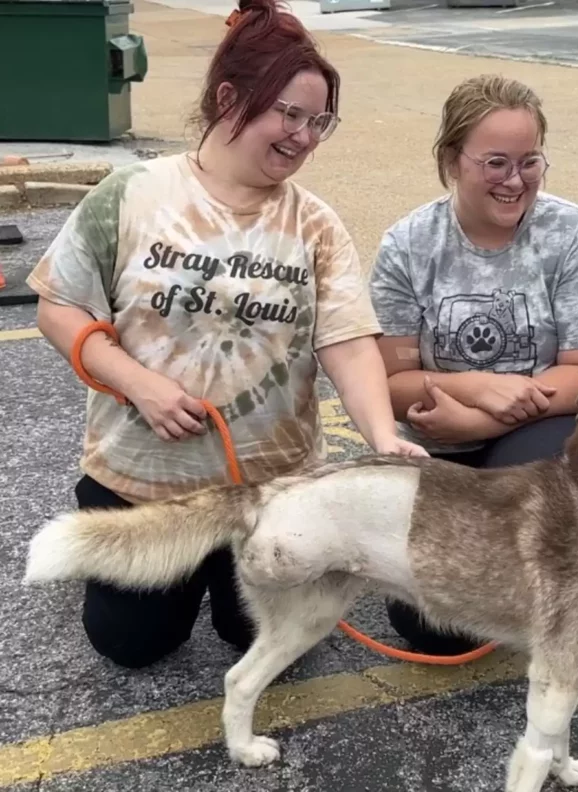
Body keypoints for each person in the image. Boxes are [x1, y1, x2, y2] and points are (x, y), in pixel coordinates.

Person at [27, 0, 425, 670]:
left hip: (269, 488)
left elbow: (347, 342)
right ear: (230, 98)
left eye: (319, 121)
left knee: (268, 643)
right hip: (146, 485)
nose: (303, 136)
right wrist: (138, 382)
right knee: (133, 644)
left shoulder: (316, 224)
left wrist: (384, 437)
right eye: (289, 114)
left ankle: (222, 578)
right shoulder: (132, 193)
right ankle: (115, 559)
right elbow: (57, 308)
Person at [368, 74, 578, 655]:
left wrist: (488, 420)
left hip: (535, 433)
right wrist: (474, 385)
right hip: (438, 446)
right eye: (495, 163)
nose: (515, 181)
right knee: (430, 632)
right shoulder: (409, 246)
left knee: (572, 457)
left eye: (530, 161)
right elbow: (390, 384)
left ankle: (562, 584)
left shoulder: (569, 233)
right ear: (451, 161)